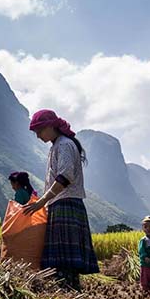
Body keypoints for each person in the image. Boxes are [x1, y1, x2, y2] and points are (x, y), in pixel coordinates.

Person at [23, 110, 99, 289]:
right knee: (64, 261)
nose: (38, 136)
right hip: (61, 204)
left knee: (64, 260)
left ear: (50, 126)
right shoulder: (57, 145)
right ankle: (70, 296)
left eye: (39, 131)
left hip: (66, 204)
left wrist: (42, 201)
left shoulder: (63, 145)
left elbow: (65, 177)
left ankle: (69, 297)